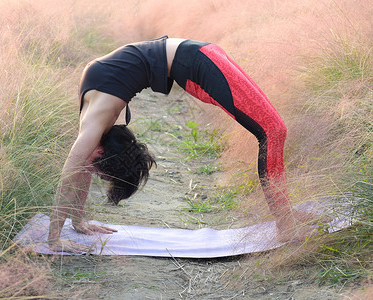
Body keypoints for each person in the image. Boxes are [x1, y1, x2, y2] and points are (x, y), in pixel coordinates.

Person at [48, 36, 320, 252]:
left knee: (273, 131)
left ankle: (286, 224)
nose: (92, 171)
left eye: (100, 171)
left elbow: (69, 171)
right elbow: (80, 168)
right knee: (271, 129)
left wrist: (53, 239)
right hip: (199, 55)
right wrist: (77, 220)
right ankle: (288, 217)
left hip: (197, 62)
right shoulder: (95, 122)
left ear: (101, 152)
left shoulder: (96, 121)